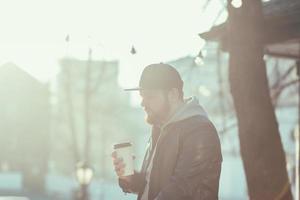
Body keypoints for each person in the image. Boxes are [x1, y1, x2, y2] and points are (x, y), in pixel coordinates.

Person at [112, 63, 222, 200]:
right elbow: (151, 185)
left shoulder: (199, 132)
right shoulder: (160, 128)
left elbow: (180, 191)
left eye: (150, 96)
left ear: (173, 95)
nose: (143, 103)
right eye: (142, 96)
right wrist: (129, 178)